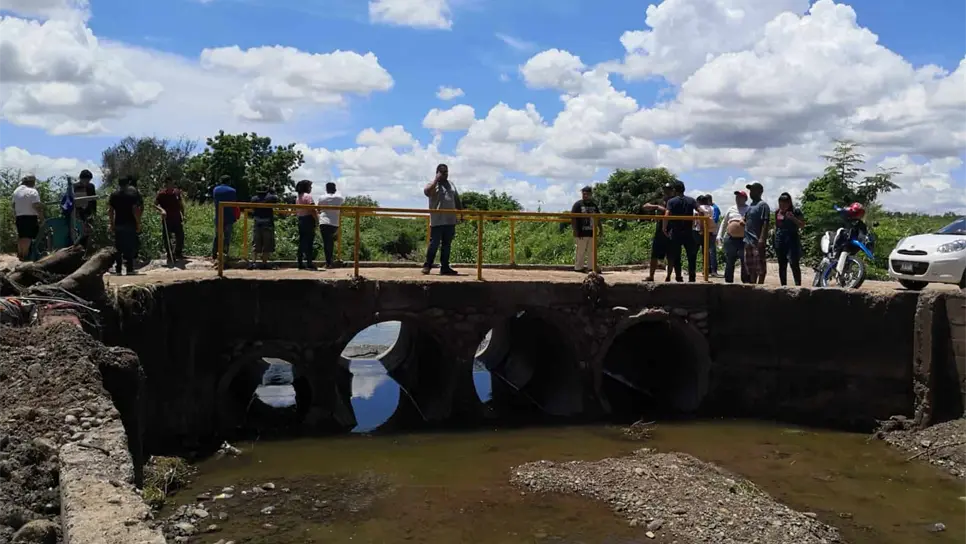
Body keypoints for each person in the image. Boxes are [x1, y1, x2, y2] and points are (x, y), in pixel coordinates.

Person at [422, 163, 461, 276]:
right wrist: (436, 180)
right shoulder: (432, 185)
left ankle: (444, 267)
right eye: (443, 173)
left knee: (447, 245)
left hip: (450, 220)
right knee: (434, 244)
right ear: (438, 173)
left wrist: (462, 213)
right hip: (437, 221)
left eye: (447, 172)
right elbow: (427, 192)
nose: (446, 175)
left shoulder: (451, 185)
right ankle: (427, 266)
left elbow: (457, 200)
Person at [663, 181, 698, 282]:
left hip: (676, 232)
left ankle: (678, 276)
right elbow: (700, 211)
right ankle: (692, 277)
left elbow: (667, 215)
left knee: (676, 255)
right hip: (688, 232)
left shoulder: (671, 201)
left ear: (674, 190)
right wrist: (698, 223)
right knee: (691, 256)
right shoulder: (691, 200)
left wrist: (664, 228)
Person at [108, 176, 143, 275]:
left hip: (118, 223)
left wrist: (111, 224)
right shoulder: (132, 195)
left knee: (118, 247)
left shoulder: (114, 195)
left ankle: (118, 269)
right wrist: (138, 223)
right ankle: (130, 269)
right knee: (129, 247)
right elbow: (135, 210)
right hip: (130, 223)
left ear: (119, 184)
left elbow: (110, 211)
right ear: (128, 184)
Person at [642, 183, 675, 282]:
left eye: (668, 189)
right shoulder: (659, 201)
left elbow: (671, 213)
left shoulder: (674, 201)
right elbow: (645, 206)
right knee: (654, 255)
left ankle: (668, 276)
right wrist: (655, 206)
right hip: (659, 231)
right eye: (665, 189)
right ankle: (651, 276)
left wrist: (661, 208)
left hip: (671, 231)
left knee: (670, 255)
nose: (666, 191)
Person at [717, 191, 750, 284]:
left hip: (743, 239)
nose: (738, 199)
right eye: (736, 197)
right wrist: (719, 235)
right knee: (729, 260)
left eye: (740, 197)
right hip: (730, 238)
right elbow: (724, 222)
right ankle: (728, 281)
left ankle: (746, 282)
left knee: (745, 261)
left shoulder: (749, 209)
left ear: (745, 199)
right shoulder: (731, 209)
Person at [742, 182, 771, 284]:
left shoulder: (763, 205)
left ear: (760, 192)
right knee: (751, 266)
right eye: (750, 190)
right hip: (748, 240)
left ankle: (761, 285)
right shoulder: (750, 206)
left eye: (753, 190)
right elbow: (746, 219)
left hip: (757, 240)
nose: (751, 193)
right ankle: (753, 285)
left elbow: (765, 222)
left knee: (760, 266)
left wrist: (762, 238)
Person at [774, 192, 805, 286]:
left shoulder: (796, 211)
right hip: (780, 238)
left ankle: (798, 285)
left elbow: (802, 225)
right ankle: (783, 285)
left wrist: (793, 218)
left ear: (789, 203)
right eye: (780, 203)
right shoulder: (777, 212)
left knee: (793, 262)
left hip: (792, 238)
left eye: (784, 203)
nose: (782, 205)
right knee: (782, 264)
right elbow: (777, 225)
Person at [12, 175, 44, 261]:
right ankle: (26, 257)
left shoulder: (16, 191)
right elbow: (36, 205)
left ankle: (20, 255)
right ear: (32, 182)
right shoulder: (32, 191)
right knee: (28, 238)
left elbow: (13, 205)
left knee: (21, 237)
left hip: (19, 217)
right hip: (30, 217)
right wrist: (42, 218)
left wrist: (15, 215)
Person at [571, 186, 601, 273]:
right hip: (581, 232)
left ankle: (591, 267)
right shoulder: (578, 205)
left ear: (591, 194)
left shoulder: (594, 205)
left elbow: (598, 218)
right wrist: (575, 230)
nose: (585, 196)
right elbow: (573, 218)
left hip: (592, 232)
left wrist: (600, 229)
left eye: (587, 194)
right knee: (580, 250)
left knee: (592, 251)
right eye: (583, 194)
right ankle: (578, 267)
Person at [155, 177, 185, 263]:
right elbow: (155, 205)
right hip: (167, 219)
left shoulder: (176, 193)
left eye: (171, 183)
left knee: (180, 236)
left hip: (176, 218)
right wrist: (162, 210)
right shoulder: (161, 194)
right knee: (167, 238)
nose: (170, 185)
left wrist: (183, 214)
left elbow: (180, 204)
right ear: (165, 184)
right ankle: (170, 255)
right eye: (168, 184)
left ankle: (177, 252)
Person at [249, 185, 279, 270]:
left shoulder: (254, 199)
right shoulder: (271, 198)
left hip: (257, 223)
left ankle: (254, 262)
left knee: (255, 244)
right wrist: (272, 191)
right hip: (268, 223)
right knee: (267, 244)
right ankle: (264, 263)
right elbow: (276, 198)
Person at [317, 182, 345, 269]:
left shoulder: (322, 198)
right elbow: (342, 201)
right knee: (331, 243)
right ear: (335, 189)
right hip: (335, 223)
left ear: (326, 189)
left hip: (324, 222)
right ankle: (330, 262)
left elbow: (318, 209)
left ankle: (328, 262)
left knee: (327, 243)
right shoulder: (339, 198)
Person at [211, 175, 238, 260]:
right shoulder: (232, 191)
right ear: (229, 181)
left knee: (217, 236)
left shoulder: (215, 190)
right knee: (227, 237)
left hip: (218, 216)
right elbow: (234, 204)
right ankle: (224, 255)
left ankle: (214, 254)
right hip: (229, 217)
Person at [295, 179, 318, 270]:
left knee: (302, 242)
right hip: (308, 220)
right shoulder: (308, 196)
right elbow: (312, 209)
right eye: (310, 186)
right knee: (309, 242)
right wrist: (317, 220)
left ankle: (300, 261)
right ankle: (309, 262)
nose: (311, 188)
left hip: (301, 219)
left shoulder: (298, 197)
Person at [71, 169, 97, 248]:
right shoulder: (75, 186)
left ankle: (86, 249)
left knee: (88, 233)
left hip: (88, 213)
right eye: (86, 179)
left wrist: (94, 213)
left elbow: (93, 201)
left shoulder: (91, 186)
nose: (87, 181)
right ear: (81, 178)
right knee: (79, 232)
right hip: (78, 213)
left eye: (89, 180)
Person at [694, 195, 714, 274]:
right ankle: (706, 269)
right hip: (708, 231)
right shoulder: (711, 208)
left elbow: (696, 219)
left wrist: (701, 228)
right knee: (706, 251)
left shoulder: (698, 208)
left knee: (694, 251)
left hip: (698, 230)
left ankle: (692, 268)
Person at [707, 194, 721, 276]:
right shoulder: (711, 208)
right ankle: (708, 270)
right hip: (709, 231)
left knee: (712, 251)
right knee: (708, 251)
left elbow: (714, 220)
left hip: (713, 232)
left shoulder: (715, 208)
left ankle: (714, 270)